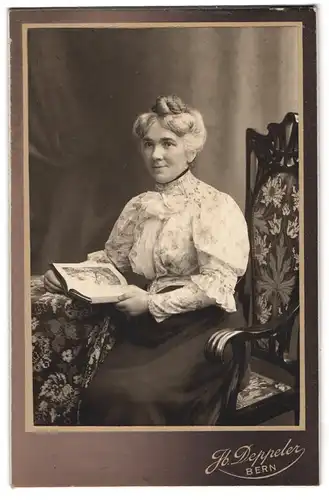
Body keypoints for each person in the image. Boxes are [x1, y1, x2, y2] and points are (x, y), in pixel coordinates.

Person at [44, 95, 250, 426]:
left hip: (206, 330)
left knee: (135, 395)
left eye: (168, 143)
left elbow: (217, 285)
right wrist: (67, 277)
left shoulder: (215, 205)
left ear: (191, 150)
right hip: (150, 330)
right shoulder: (139, 206)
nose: (156, 155)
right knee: (100, 390)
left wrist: (151, 302)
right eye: (148, 144)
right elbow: (111, 262)